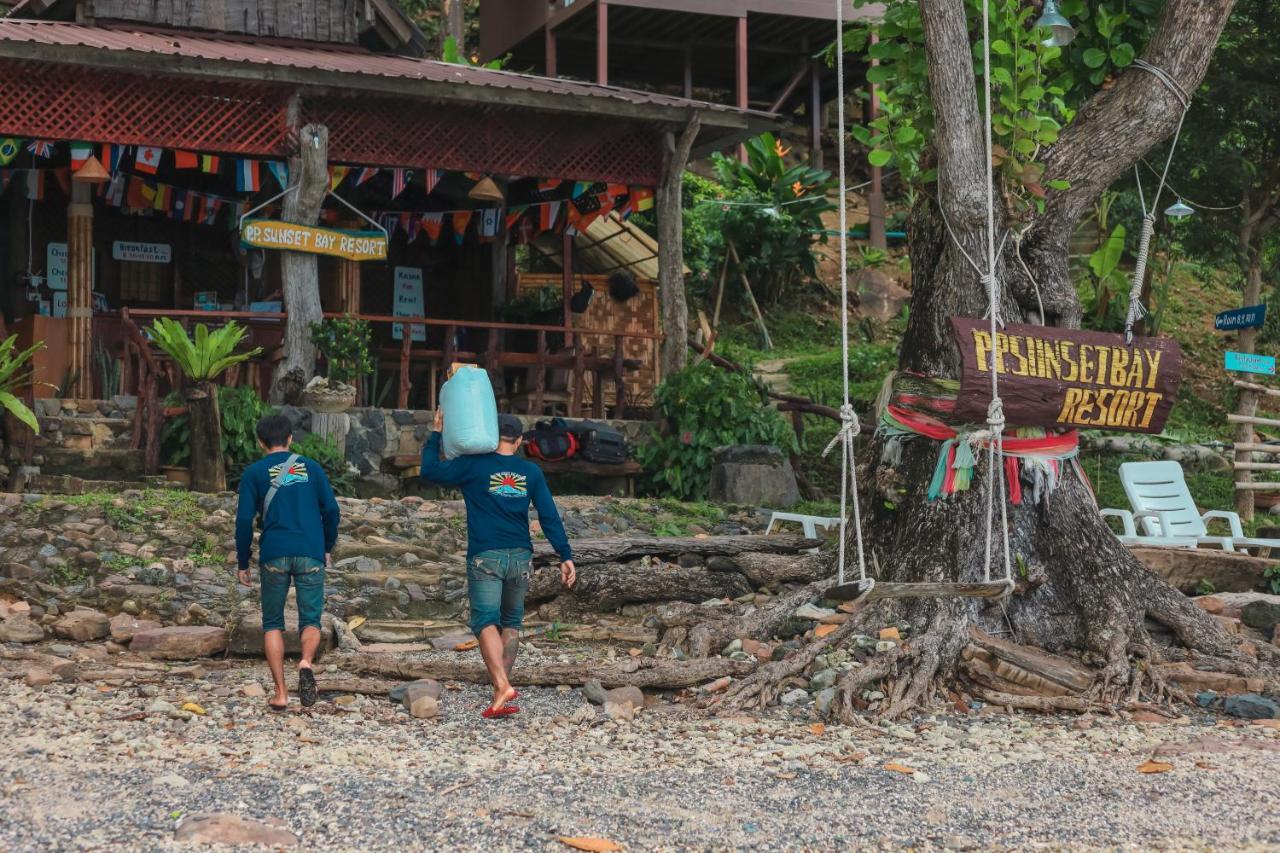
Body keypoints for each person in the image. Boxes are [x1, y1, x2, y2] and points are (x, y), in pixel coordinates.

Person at [421, 410, 575, 718]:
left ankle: (502, 685)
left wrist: (436, 433)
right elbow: (548, 515)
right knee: (512, 622)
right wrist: (565, 555)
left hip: (486, 556)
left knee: (484, 621)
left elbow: (430, 471)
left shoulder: (473, 465)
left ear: (491, 436)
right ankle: (499, 694)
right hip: (520, 557)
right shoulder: (530, 473)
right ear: (518, 441)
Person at [234, 414, 340, 711]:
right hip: (310, 551)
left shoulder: (254, 472)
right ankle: (306, 662)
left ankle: (281, 693)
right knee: (311, 619)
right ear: (291, 438)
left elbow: (244, 520)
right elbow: (331, 510)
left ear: (260, 442)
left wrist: (243, 561)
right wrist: (327, 546)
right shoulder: (312, 468)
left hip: (274, 553)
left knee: (272, 623)